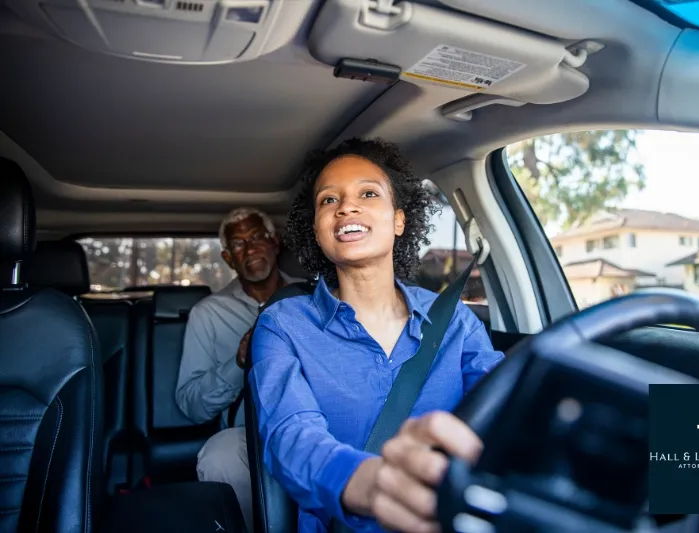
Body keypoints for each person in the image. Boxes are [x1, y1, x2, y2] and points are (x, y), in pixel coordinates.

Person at [249, 138, 505, 533]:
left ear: (399, 220)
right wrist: (367, 482)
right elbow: (290, 434)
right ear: (316, 229)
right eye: (328, 200)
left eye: (368, 193)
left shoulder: (453, 319)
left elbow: (505, 399)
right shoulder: (282, 324)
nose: (346, 206)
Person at [175, 206, 300, 532]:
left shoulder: (311, 296)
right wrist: (239, 362)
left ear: (275, 243)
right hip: (249, 434)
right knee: (220, 453)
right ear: (229, 259)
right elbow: (191, 405)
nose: (251, 248)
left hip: (317, 422)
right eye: (239, 244)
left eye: (258, 237)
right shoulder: (208, 314)